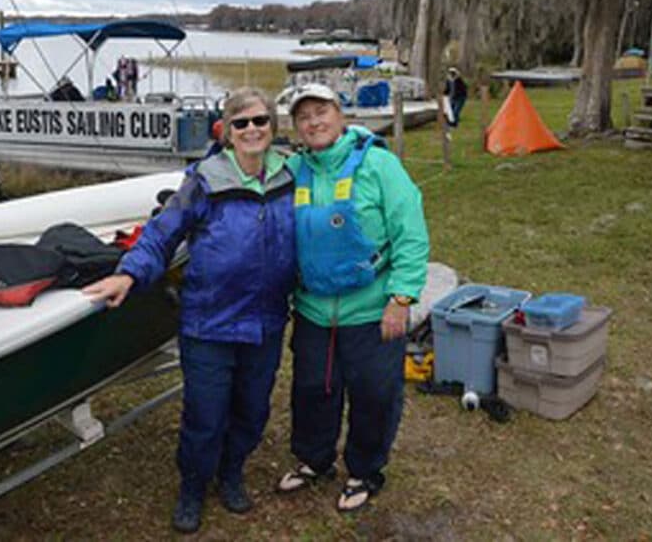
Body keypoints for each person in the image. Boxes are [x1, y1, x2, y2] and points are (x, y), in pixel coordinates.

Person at [83, 87, 295, 534]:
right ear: (227, 132)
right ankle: (194, 487)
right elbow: (163, 234)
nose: (252, 129)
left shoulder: (291, 177)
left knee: (252, 410)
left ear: (273, 127)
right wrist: (129, 273)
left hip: (266, 322)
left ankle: (232, 472)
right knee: (205, 414)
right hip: (210, 323)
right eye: (242, 123)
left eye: (260, 121)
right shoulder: (204, 179)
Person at [276, 83, 429, 513]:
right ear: (296, 127)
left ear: (340, 115)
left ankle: (364, 470)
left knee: (374, 393)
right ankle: (314, 459)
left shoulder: (379, 165)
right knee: (312, 389)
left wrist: (400, 298)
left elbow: (410, 234)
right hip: (313, 310)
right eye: (304, 116)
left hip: (371, 309)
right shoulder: (292, 171)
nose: (314, 122)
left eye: (321, 111)